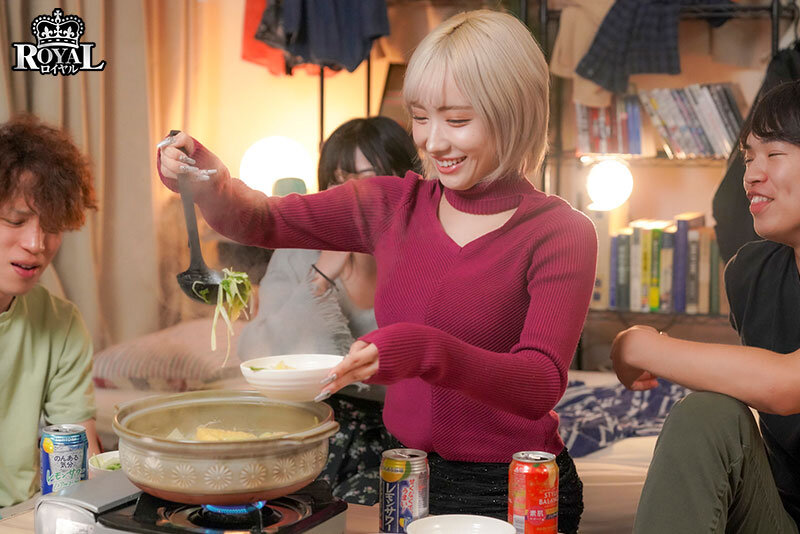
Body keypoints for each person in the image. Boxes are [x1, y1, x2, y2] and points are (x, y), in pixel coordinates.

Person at [158, 10, 597, 531]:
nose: (432, 142)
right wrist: (206, 178)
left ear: (514, 114)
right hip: (406, 470)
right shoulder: (390, 204)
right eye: (420, 117)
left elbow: (538, 383)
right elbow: (260, 219)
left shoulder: (561, 232)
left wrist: (419, 349)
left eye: (457, 121)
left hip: (512, 485)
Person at [610, 80, 800, 534]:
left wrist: (640, 344)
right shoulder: (751, 274)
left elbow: (785, 386)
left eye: (774, 153)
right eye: (749, 157)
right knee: (707, 414)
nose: (751, 175)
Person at [237, 116, 421, 505]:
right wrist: (320, 276)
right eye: (337, 181)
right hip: (315, 421)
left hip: (407, 430)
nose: (349, 194)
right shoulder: (299, 250)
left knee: (368, 508)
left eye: (365, 178)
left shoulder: (428, 251)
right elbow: (258, 350)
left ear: (403, 181)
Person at [0, 115, 100, 508]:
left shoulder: (61, 324)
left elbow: (79, 464)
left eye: (53, 226)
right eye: (15, 220)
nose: (36, 243)